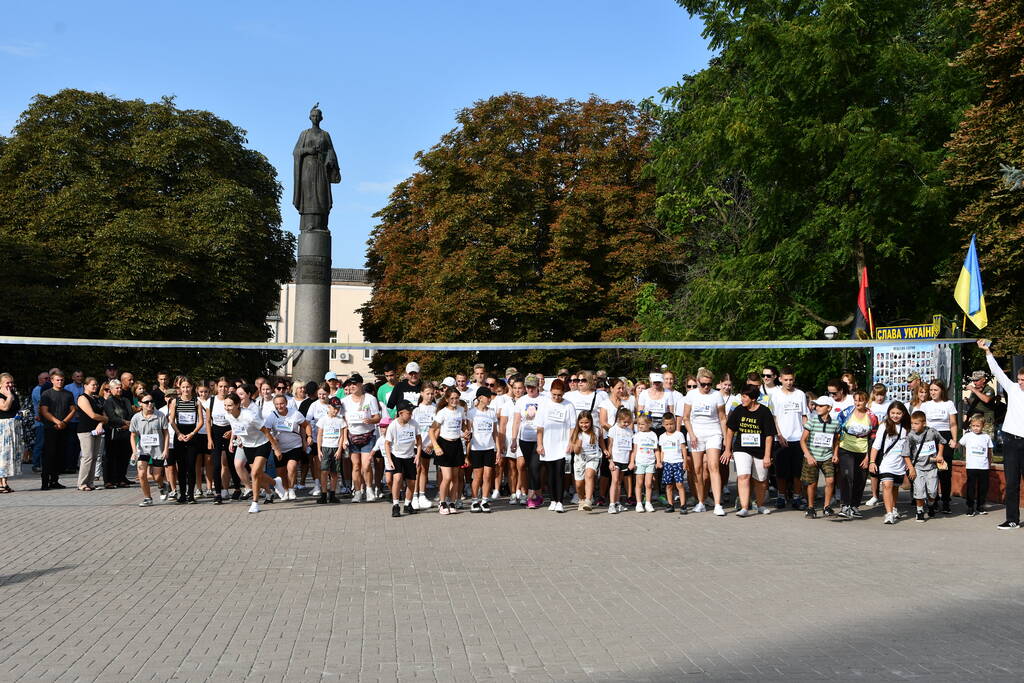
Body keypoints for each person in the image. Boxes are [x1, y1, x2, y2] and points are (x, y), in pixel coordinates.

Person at [980, 339, 1024, 529]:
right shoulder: (1012, 388)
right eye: (1019, 379)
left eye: (1023, 380)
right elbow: (997, 371)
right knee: (1012, 482)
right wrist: (987, 352)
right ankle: (1012, 519)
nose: (1020, 383)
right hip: (1011, 441)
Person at [223, 392, 283, 514]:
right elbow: (236, 426)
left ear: (238, 405)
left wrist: (276, 448)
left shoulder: (249, 416)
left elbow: (266, 431)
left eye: (230, 405)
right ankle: (275, 483)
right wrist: (232, 436)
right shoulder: (228, 415)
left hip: (262, 444)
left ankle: (255, 503)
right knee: (258, 474)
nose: (227, 408)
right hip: (247, 446)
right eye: (225, 405)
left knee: (254, 473)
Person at [723, 385, 777, 516]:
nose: (742, 399)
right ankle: (744, 507)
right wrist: (727, 450)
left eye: (744, 396)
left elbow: (769, 436)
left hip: (760, 450)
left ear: (753, 398)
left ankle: (760, 505)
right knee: (743, 476)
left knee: (761, 479)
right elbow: (730, 430)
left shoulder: (764, 412)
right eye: (741, 396)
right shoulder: (739, 410)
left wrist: (767, 456)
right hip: (741, 448)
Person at [682, 368, 728, 515]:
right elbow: (686, 417)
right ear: (698, 382)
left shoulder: (716, 395)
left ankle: (718, 504)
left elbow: (722, 418)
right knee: (697, 469)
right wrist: (691, 434)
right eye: (703, 384)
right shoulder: (691, 395)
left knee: (714, 466)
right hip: (696, 435)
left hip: (713, 433)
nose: (706, 387)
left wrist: (725, 438)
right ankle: (701, 501)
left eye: (709, 384)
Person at [535, 379, 576, 513]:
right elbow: (539, 427)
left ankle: (560, 501)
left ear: (563, 393)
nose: (557, 397)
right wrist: (540, 444)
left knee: (559, 472)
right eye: (554, 395)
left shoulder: (568, 405)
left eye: (559, 395)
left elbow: (572, 426)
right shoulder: (544, 404)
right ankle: (552, 500)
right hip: (547, 443)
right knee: (550, 473)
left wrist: (571, 442)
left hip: (562, 444)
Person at [869, 401, 913, 525]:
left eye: (898, 413)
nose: (895, 416)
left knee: (894, 487)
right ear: (888, 413)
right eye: (892, 413)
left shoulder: (906, 428)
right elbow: (876, 445)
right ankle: (888, 514)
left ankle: (893, 508)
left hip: (900, 463)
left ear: (903, 414)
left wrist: (909, 463)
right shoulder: (884, 426)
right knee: (887, 485)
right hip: (886, 462)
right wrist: (872, 461)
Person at [772, 367, 809, 510]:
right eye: (786, 380)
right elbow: (773, 417)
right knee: (781, 471)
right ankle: (781, 496)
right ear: (780, 379)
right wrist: (779, 434)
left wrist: (806, 436)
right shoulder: (775, 395)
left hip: (797, 438)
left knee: (797, 471)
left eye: (791, 379)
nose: (789, 382)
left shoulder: (800, 394)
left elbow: (804, 416)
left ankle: (797, 497)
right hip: (781, 438)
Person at [340, 374, 382, 502]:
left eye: (354, 384)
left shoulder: (370, 399)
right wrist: (344, 438)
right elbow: (342, 421)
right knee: (356, 466)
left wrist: (370, 420)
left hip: (368, 435)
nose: (351, 386)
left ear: (360, 384)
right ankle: (357, 492)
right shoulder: (345, 401)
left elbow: (377, 417)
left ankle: (369, 489)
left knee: (366, 465)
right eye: (350, 384)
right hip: (352, 436)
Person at [429, 386, 469, 515]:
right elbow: (432, 430)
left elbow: (462, 425)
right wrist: (436, 446)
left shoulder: (461, 410)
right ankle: (442, 503)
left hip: (457, 444)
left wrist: (466, 431)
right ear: (446, 399)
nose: (454, 400)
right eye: (452, 398)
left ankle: (452, 502)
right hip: (444, 445)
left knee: (456, 477)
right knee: (447, 477)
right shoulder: (442, 413)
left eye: (456, 398)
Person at [799, 396, 840, 519]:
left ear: (829, 408)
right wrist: (808, 456)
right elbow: (802, 440)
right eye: (816, 405)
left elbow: (836, 440)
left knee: (830, 480)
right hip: (812, 456)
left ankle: (826, 507)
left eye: (821, 406)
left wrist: (835, 454)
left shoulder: (835, 423)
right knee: (812, 483)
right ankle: (810, 507)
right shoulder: (812, 421)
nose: (817, 408)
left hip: (827, 456)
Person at [922, 380, 959, 514]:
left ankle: (946, 502)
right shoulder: (925, 405)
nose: (932, 392)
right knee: (931, 471)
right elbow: (922, 424)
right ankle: (933, 500)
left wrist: (954, 440)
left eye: (935, 390)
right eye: (931, 390)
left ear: (942, 391)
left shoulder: (948, 404)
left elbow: (953, 424)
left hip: (945, 437)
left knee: (945, 471)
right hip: (930, 438)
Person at [266, 394, 311, 501]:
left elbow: (306, 425)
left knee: (292, 467)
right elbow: (266, 431)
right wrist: (273, 440)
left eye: (282, 403)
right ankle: (285, 490)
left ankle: (291, 489)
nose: (280, 406)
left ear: (286, 403)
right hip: (279, 448)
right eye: (277, 404)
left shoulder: (295, 413)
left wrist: (308, 436)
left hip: (294, 445)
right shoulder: (272, 416)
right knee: (281, 472)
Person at [168, 377, 206, 504]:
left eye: (188, 387)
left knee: (191, 466)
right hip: (179, 436)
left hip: (192, 437)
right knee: (181, 466)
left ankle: (191, 495)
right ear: (180, 388)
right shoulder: (175, 402)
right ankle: (182, 494)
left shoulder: (196, 402)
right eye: (183, 387)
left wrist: (192, 434)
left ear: (192, 388)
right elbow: (171, 420)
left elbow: (201, 421)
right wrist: (178, 433)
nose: (186, 389)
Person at [510, 374, 544, 508]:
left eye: (533, 387)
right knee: (530, 467)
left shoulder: (544, 400)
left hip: (539, 438)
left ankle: (531, 497)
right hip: (524, 439)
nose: (530, 389)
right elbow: (516, 421)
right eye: (528, 387)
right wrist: (514, 439)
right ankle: (538, 494)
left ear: (538, 386)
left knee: (535, 466)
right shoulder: (521, 401)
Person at [906, 410, 947, 522]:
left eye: (916, 423)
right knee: (919, 490)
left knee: (932, 492)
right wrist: (911, 468)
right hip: (918, 467)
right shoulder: (910, 435)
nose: (913, 426)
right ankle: (919, 511)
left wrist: (940, 454)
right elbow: (906, 454)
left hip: (931, 467)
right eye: (912, 423)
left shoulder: (932, 432)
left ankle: (930, 505)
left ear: (924, 423)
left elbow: (942, 441)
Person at [39, 370, 76, 490]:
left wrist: (64, 422)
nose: (60, 382)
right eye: (57, 380)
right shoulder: (46, 394)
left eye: (61, 380)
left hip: (64, 427)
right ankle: (45, 481)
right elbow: (44, 411)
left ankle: (55, 480)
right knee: (49, 455)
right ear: (52, 380)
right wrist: (57, 422)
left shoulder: (68, 394)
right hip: (50, 428)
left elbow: (73, 409)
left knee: (60, 454)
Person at [383, 400, 421, 517]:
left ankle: (407, 504)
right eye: (408, 413)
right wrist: (389, 459)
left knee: (412, 482)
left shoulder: (414, 424)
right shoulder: (393, 426)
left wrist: (418, 455)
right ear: (400, 413)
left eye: (411, 413)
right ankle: (395, 505)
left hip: (410, 456)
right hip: (397, 455)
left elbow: (419, 440)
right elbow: (387, 444)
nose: (411, 415)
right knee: (398, 477)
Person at [130, 393, 169, 507]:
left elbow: (166, 434)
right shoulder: (136, 417)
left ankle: (162, 485)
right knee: (142, 474)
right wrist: (134, 451)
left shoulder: (160, 415)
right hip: (142, 449)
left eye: (151, 401)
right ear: (140, 403)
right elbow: (133, 435)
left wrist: (165, 449)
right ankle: (147, 498)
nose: (150, 404)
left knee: (157, 477)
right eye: (146, 402)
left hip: (158, 449)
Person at [467, 386, 500, 513]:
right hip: (476, 448)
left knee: (487, 476)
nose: (490, 399)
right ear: (480, 398)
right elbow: (468, 432)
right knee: (477, 476)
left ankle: (485, 500)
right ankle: (475, 501)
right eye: (488, 397)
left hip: (489, 448)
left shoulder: (491, 412)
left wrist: (498, 449)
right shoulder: (471, 413)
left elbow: (495, 433)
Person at [206, 377, 236, 504]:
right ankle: (217, 493)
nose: (223, 389)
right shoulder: (211, 401)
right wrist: (209, 438)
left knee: (231, 462)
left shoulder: (232, 400)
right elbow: (208, 421)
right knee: (217, 465)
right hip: (216, 433)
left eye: (225, 386)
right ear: (216, 387)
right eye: (220, 386)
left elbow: (237, 419)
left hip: (229, 432)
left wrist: (232, 432)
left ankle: (237, 488)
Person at [75, 377, 108, 491]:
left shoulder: (97, 398)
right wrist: (104, 419)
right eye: (92, 384)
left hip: (97, 430)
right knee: (87, 457)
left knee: (95, 457)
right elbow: (92, 415)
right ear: (85, 385)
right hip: (85, 430)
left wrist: (101, 423)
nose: (95, 387)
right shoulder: (82, 398)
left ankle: (90, 482)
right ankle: (82, 483)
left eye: (96, 384)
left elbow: (103, 413)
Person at [569, 411, 604, 511]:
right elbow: (575, 451)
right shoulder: (577, 433)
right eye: (581, 423)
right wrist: (578, 446)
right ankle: (581, 500)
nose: (584, 425)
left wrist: (604, 449)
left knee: (589, 475)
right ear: (578, 422)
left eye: (586, 422)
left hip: (593, 457)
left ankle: (588, 500)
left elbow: (600, 440)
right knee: (579, 484)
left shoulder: (596, 430)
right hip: (580, 459)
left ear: (591, 422)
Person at [961, 415, 994, 517]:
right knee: (971, 487)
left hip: (984, 467)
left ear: (983, 426)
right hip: (971, 466)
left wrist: (989, 463)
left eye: (978, 426)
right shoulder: (967, 436)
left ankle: (980, 506)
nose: (975, 428)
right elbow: (959, 444)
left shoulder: (986, 437)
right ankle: (970, 507)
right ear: (971, 425)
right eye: (973, 425)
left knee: (983, 488)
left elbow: (989, 451)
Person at [411, 384, 437, 510]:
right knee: (418, 469)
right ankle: (414, 496)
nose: (430, 396)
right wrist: (417, 443)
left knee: (424, 470)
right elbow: (412, 427)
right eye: (427, 393)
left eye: (432, 393)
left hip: (430, 445)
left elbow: (437, 428)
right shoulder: (416, 410)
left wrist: (432, 444)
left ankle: (422, 495)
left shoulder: (436, 409)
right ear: (421, 393)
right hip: (418, 444)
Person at [316, 397, 346, 504]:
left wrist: (339, 450)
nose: (336, 411)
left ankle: (332, 494)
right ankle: (323, 494)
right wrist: (319, 449)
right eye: (334, 408)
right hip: (325, 447)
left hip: (335, 448)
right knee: (324, 471)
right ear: (329, 407)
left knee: (334, 472)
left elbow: (341, 436)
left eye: (338, 408)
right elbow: (319, 435)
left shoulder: (340, 420)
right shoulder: (323, 419)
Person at [657, 412, 687, 514]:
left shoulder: (679, 435)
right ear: (663, 425)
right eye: (667, 424)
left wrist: (685, 462)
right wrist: (660, 461)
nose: (669, 426)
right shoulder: (662, 437)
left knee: (679, 484)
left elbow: (683, 449)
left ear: (675, 423)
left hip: (678, 462)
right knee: (668, 485)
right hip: (667, 463)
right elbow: (662, 451)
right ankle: (670, 505)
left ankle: (683, 505)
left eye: (671, 424)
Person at [606, 407, 635, 514]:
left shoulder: (630, 431)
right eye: (624, 422)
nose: (626, 424)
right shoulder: (613, 429)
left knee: (619, 482)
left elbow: (631, 448)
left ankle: (617, 503)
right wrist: (610, 461)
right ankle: (611, 504)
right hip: (615, 459)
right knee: (614, 481)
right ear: (618, 419)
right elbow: (610, 446)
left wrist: (631, 461)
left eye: (628, 422)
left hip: (624, 459)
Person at [630, 415, 658, 512]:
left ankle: (648, 503)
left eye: (642, 424)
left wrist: (658, 461)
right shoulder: (637, 435)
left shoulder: (653, 435)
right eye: (638, 424)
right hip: (640, 462)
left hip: (650, 462)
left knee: (649, 483)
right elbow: (634, 450)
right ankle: (639, 503)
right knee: (639, 483)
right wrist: (632, 462)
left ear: (649, 424)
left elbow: (656, 449)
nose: (640, 426)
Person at [0, 373, 23, 493]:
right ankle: (0, 484)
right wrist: (9, 396)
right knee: (2, 455)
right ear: (0, 384)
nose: (10, 385)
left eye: (11, 382)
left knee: (9, 456)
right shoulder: (2, 395)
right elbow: (4, 408)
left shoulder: (14, 393)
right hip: (2, 427)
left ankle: (5, 482)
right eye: (7, 383)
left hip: (13, 426)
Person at [963, 370, 997, 439]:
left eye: (977, 380)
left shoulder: (989, 389)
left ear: (983, 380)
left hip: (986, 421)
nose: (974, 382)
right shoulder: (975, 390)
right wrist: (968, 401)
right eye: (973, 380)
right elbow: (973, 404)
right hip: (975, 420)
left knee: (986, 441)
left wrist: (973, 389)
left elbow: (986, 400)